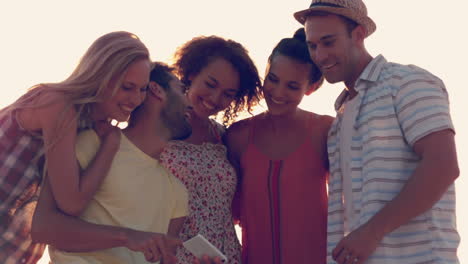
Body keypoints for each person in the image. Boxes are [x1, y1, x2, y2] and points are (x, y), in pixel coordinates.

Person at [294, 0, 460, 263]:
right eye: (312, 45)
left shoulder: (406, 82)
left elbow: (443, 165)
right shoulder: (340, 117)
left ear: (358, 35)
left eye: (328, 42)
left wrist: (373, 231)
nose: (320, 55)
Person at [0, 31, 151, 263]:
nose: (136, 99)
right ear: (101, 76)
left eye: (143, 89)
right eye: (127, 87)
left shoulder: (90, 126)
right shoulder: (58, 105)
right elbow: (71, 203)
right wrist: (110, 146)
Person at [32, 62, 192, 264]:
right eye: (182, 90)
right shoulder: (92, 144)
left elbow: (164, 259)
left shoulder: (177, 192)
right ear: (156, 90)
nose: (190, 102)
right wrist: (126, 237)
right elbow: (43, 227)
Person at [225, 28, 333, 264]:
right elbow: (225, 211)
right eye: (272, 79)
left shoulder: (325, 131)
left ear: (311, 87)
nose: (278, 93)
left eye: (292, 86)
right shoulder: (238, 136)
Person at [159, 35, 262, 264]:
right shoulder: (157, 127)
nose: (215, 98)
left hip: (225, 257)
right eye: (211, 84)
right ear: (193, 74)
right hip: (173, 257)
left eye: (228, 94)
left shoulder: (223, 136)